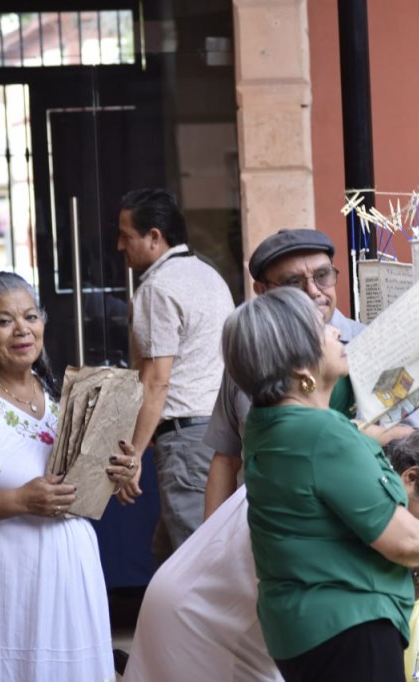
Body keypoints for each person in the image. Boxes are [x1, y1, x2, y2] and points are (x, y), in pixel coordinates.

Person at [225, 276, 419, 680]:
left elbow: (374, 366)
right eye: (320, 328)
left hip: (302, 630)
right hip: (348, 629)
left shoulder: (267, 422)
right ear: (301, 367)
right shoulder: (322, 436)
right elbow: (402, 541)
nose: (336, 329)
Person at [122, 420, 419, 682]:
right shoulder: (357, 488)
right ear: (409, 477)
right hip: (205, 620)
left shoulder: (365, 466)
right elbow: (345, 623)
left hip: (226, 614)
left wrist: (409, 586)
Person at [0, 271, 140, 681]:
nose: (22, 330)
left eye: (30, 317)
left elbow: (78, 485)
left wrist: (118, 472)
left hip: (64, 585)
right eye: (4, 321)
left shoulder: (58, 399)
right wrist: (19, 500)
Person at [202, 228, 419, 519]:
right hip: (272, 533)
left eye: (322, 276)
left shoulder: (376, 346)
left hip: (371, 529)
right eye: (293, 282)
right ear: (262, 290)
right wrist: (212, 546)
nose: (313, 291)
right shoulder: (249, 361)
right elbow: (226, 458)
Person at [114, 188, 235, 562]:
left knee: (195, 567)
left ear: (154, 237)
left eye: (126, 235)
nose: (120, 246)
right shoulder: (208, 274)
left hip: (188, 443)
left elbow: (156, 380)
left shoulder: (157, 288)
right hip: (220, 437)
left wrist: (132, 456)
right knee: (173, 554)